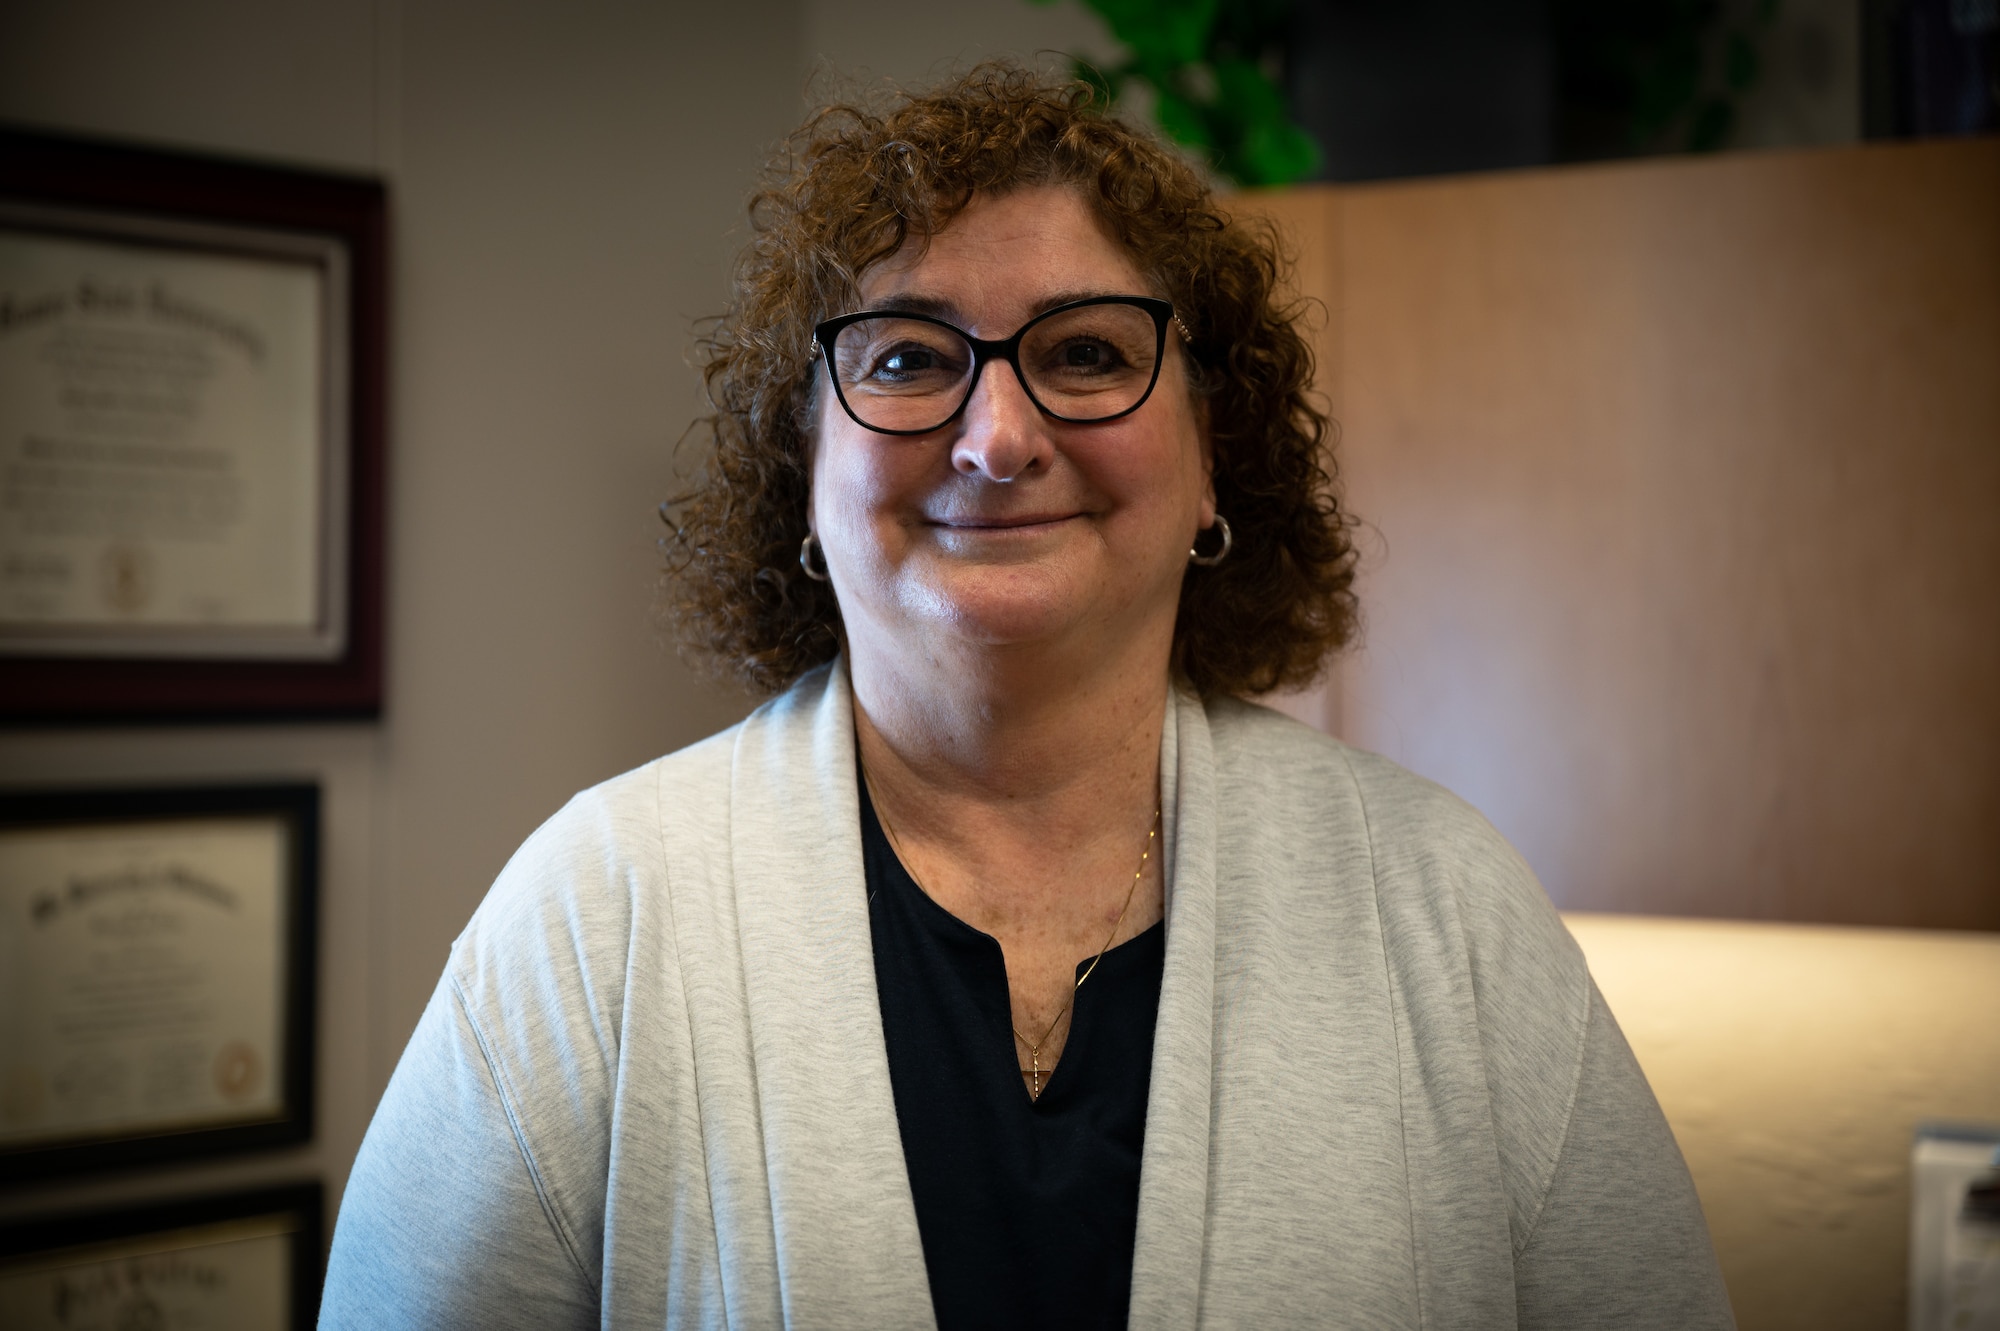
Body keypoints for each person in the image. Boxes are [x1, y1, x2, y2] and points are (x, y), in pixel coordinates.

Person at [320, 64, 1734, 1330]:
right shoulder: (595, 921)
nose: (997, 438)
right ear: (802, 476)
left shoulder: (1444, 910)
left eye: (1088, 355)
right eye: (909, 360)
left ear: (1210, 463)